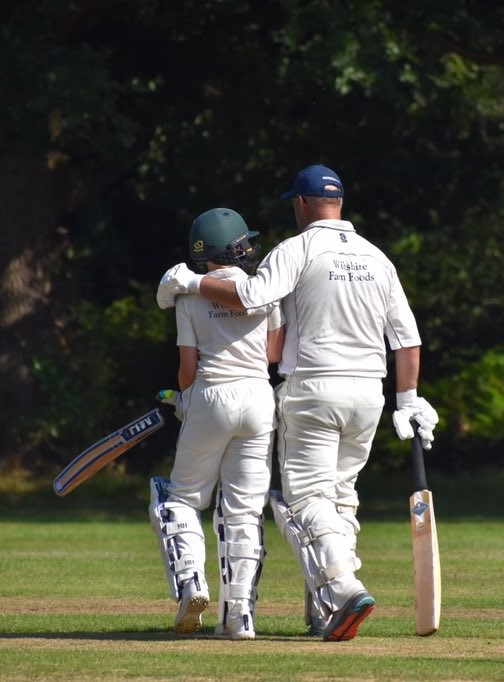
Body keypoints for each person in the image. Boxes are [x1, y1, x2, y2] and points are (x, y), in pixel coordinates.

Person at [156, 165, 438, 642]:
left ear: (301, 204)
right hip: (368, 392)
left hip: (312, 389)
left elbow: (251, 295)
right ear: (340, 202)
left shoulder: (297, 248)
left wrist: (190, 282)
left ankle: (343, 588)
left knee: (305, 499)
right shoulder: (377, 257)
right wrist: (408, 400)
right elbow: (407, 339)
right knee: (340, 497)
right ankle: (324, 611)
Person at [149, 207, 284, 640]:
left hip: (210, 394)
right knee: (244, 510)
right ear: (235, 247)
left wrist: (186, 400)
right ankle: (239, 618)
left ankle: (191, 583)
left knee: (179, 499)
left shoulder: (188, 297)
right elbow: (273, 354)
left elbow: (188, 367)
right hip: (258, 398)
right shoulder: (265, 289)